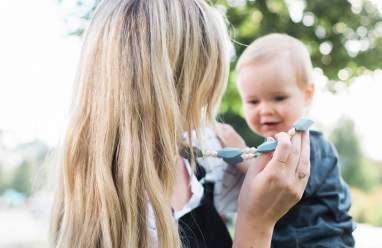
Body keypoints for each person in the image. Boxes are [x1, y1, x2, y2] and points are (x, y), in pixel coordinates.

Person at [50, 2, 310, 248]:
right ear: (172, 84)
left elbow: (269, 197)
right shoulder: (118, 212)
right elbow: (256, 216)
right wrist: (256, 226)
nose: (207, 102)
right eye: (205, 79)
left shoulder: (203, 154)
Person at [217, 33, 355, 247]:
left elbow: (278, 179)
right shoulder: (271, 148)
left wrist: (238, 151)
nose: (265, 109)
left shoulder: (312, 145)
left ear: (307, 95)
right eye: (253, 101)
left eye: (279, 98)